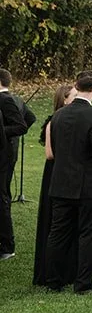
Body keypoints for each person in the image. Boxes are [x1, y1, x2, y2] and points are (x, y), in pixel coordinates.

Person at [45, 72, 92, 293]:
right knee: (90, 233)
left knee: (58, 233)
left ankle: (53, 280)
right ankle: (84, 282)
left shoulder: (58, 116)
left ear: (76, 86)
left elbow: (56, 148)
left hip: (61, 182)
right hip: (89, 185)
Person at [32, 83, 74, 286]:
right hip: (56, 171)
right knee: (53, 221)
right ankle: (51, 272)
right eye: (73, 95)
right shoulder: (53, 121)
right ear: (64, 99)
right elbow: (49, 154)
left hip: (65, 170)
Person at [0, 68, 34, 261]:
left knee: (2, 197)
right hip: (8, 153)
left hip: (3, 156)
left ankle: (7, 245)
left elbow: (21, 125)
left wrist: (4, 135)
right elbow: (30, 118)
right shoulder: (17, 99)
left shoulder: (5, 100)